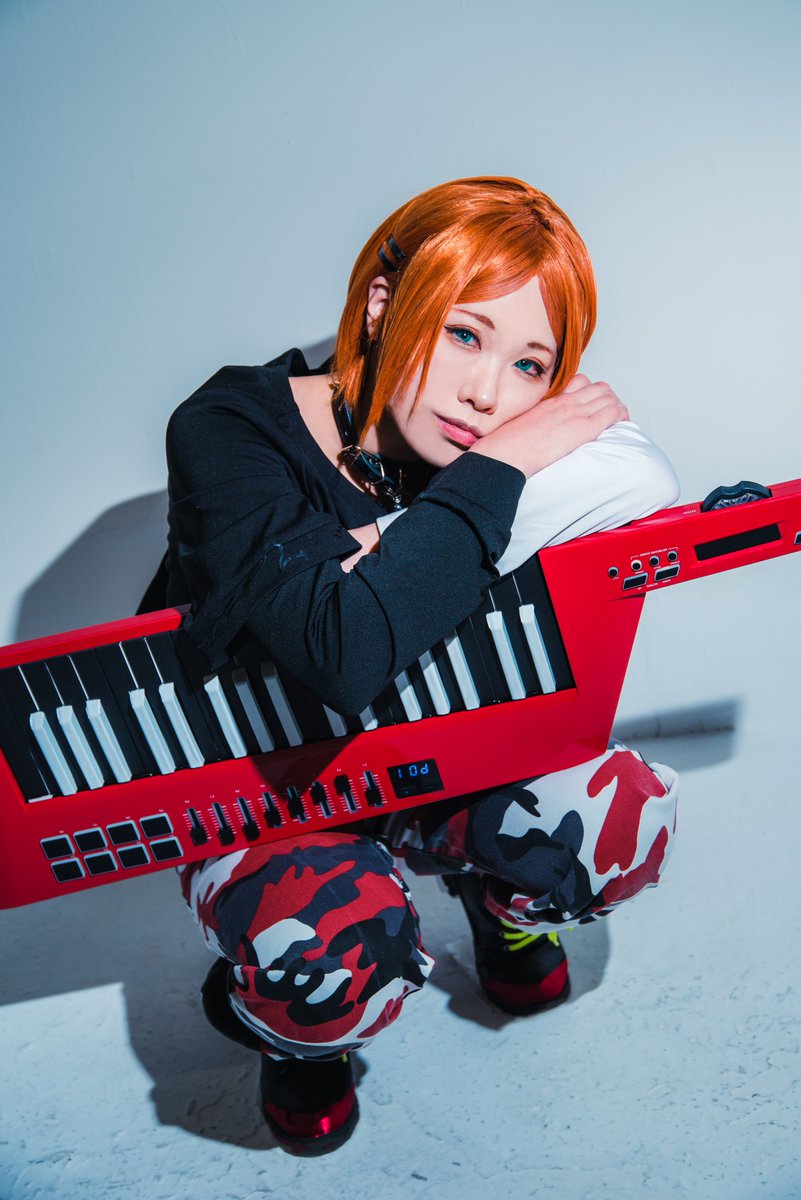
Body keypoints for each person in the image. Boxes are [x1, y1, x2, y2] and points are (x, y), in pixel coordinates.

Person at [162, 176, 680, 1155]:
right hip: (269, 782)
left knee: (623, 817)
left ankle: (501, 907)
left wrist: (383, 548)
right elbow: (340, 651)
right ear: (382, 304)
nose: (488, 394)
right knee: (331, 949)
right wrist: (498, 476)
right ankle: (298, 1033)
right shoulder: (230, 428)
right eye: (463, 334)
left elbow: (647, 476)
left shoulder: (488, 431)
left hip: (437, 753)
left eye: (529, 364)